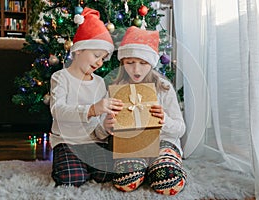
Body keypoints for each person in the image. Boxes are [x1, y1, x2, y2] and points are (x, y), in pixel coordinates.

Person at [104, 26, 187, 195]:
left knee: (168, 181)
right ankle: (145, 170)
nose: (136, 70)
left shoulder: (164, 88)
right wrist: (108, 125)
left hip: (164, 142)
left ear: (152, 62)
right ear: (122, 62)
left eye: (143, 63)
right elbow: (105, 127)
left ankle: (159, 166)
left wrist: (164, 121)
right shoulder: (117, 89)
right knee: (125, 181)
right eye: (130, 63)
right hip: (132, 145)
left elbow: (180, 129)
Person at [49, 7, 123, 187]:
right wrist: (91, 109)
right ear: (79, 50)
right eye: (97, 55)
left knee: (107, 173)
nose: (99, 62)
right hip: (68, 141)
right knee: (72, 178)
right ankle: (72, 165)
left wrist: (105, 128)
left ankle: (83, 165)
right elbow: (58, 110)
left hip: (93, 142)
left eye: (103, 59)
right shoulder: (61, 77)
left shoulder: (99, 83)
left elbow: (99, 126)